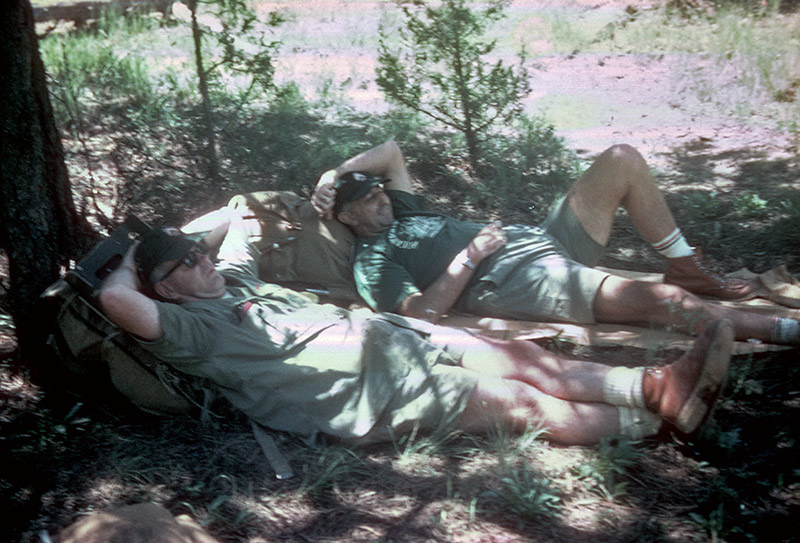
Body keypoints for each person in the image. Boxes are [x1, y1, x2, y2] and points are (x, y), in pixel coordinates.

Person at [98, 210, 734, 446]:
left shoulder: (230, 279)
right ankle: (650, 425)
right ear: (162, 286)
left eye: (199, 254)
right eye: (187, 262)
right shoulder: (183, 326)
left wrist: (179, 240)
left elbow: (232, 218)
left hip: (389, 339)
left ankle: (656, 388)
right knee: (517, 403)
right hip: (354, 389)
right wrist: (129, 257)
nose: (203, 260)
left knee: (515, 356)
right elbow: (115, 300)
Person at [311, 141, 800, 346]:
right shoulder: (372, 259)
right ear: (347, 216)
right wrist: (469, 257)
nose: (382, 199)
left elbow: (391, 151)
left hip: (538, 242)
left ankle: (686, 265)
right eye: (369, 200)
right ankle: (780, 329)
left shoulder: (403, 207)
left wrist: (333, 175)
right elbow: (419, 315)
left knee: (621, 159)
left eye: (379, 190)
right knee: (663, 302)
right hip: (515, 278)